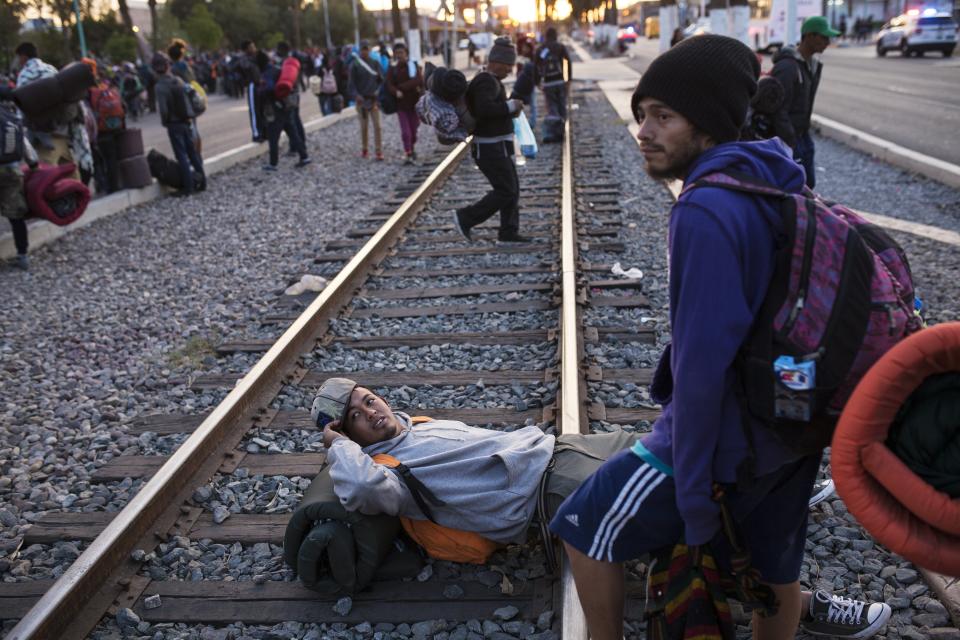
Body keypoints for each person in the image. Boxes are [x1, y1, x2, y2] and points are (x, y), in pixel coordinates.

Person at [549, 35, 892, 640]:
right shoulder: (773, 178)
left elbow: (701, 368)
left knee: (584, 525)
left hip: (724, 437)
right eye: (642, 114)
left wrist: (695, 498)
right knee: (771, 572)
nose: (644, 132)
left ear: (707, 125)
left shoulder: (704, 210)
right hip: (792, 423)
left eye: (664, 116)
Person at [312, 377, 640, 545]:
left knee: (668, 449)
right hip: (545, 487)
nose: (371, 412)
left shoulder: (418, 424)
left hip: (560, 447)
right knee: (661, 489)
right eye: (356, 416)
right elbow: (360, 488)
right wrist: (338, 446)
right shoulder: (385, 469)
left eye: (370, 401)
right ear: (349, 435)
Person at [451, 37, 529, 244]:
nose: (509, 70)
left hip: (498, 145)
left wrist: (510, 110)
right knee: (506, 190)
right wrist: (510, 107)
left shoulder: (492, 81)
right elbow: (484, 110)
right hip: (489, 148)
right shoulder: (485, 81)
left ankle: (508, 232)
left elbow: (493, 111)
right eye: (507, 66)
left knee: (512, 189)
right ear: (496, 62)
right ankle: (466, 217)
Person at [771, 16, 839, 189]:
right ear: (809, 36)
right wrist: (790, 142)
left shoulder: (813, 65)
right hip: (789, 138)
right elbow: (779, 109)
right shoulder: (787, 67)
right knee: (796, 187)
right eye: (824, 37)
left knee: (809, 184)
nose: (827, 42)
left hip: (803, 134)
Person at [14, 42, 93, 183]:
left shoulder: (24, 75)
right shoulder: (51, 69)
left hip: (43, 140)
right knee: (71, 179)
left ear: (23, 57)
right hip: (63, 133)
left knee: (48, 183)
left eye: (19, 58)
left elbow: (22, 108)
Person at [153, 53, 205, 197]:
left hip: (174, 124)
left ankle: (188, 187)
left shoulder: (160, 87)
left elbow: (163, 110)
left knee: (181, 155)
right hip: (186, 121)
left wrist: (165, 122)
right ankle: (203, 182)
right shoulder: (178, 80)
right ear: (168, 65)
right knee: (192, 153)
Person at [0, 85, 38, 270]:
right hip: (13, 171)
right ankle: (22, 256)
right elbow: (26, 146)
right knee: (16, 216)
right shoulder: (14, 118)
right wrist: (33, 165)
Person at [257, 51, 310, 171]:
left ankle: (273, 164)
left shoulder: (267, 73)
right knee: (293, 133)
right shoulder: (278, 68)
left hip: (276, 109)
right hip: (287, 106)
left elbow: (269, 88)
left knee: (273, 137)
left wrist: (260, 90)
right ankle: (304, 156)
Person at [385, 43, 424, 164]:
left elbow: (418, 80)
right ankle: (408, 152)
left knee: (414, 131)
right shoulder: (393, 68)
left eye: (401, 52)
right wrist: (395, 91)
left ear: (406, 53)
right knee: (405, 132)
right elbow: (389, 84)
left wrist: (401, 87)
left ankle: (412, 148)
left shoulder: (413, 65)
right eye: (397, 53)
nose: (399, 55)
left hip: (414, 104)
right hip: (401, 105)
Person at [349, 41, 383, 161]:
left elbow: (381, 81)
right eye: (362, 49)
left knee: (378, 126)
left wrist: (378, 92)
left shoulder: (375, 63)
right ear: (359, 50)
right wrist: (356, 95)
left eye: (366, 49)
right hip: (361, 101)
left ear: (369, 50)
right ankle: (365, 149)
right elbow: (351, 84)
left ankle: (378, 151)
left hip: (373, 100)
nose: (364, 51)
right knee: (364, 127)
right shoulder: (355, 65)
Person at [275, 42, 308, 158]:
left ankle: (296, 147)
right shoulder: (294, 61)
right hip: (295, 94)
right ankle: (301, 144)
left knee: (292, 123)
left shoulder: (284, 63)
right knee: (296, 120)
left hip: (288, 95)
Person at [535, 27, 572, 122]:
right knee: (562, 105)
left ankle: (556, 128)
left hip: (548, 83)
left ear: (546, 36)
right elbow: (568, 61)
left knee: (552, 107)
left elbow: (535, 65)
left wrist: (537, 81)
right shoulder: (560, 47)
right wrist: (568, 79)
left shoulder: (541, 49)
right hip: (560, 81)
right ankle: (563, 125)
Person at [237, 40, 263, 142]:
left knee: (261, 109)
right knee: (254, 110)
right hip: (252, 85)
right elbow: (246, 67)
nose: (254, 49)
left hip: (260, 85)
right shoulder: (244, 59)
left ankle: (263, 132)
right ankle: (256, 133)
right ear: (246, 49)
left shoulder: (255, 57)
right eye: (252, 47)